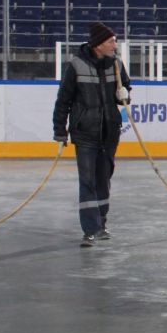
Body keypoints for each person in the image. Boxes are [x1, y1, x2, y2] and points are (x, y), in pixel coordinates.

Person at [52, 22, 131, 247]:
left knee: (103, 180)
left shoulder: (116, 64)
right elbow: (63, 101)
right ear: (98, 44)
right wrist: (60, 131)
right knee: (87, 181)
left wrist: (123, 94)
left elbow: (124, 91)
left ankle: (102, 223)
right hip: (85, 133)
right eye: (111, 41)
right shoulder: (76, 66)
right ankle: (90, 229)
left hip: (109, 133)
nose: (114, 45)